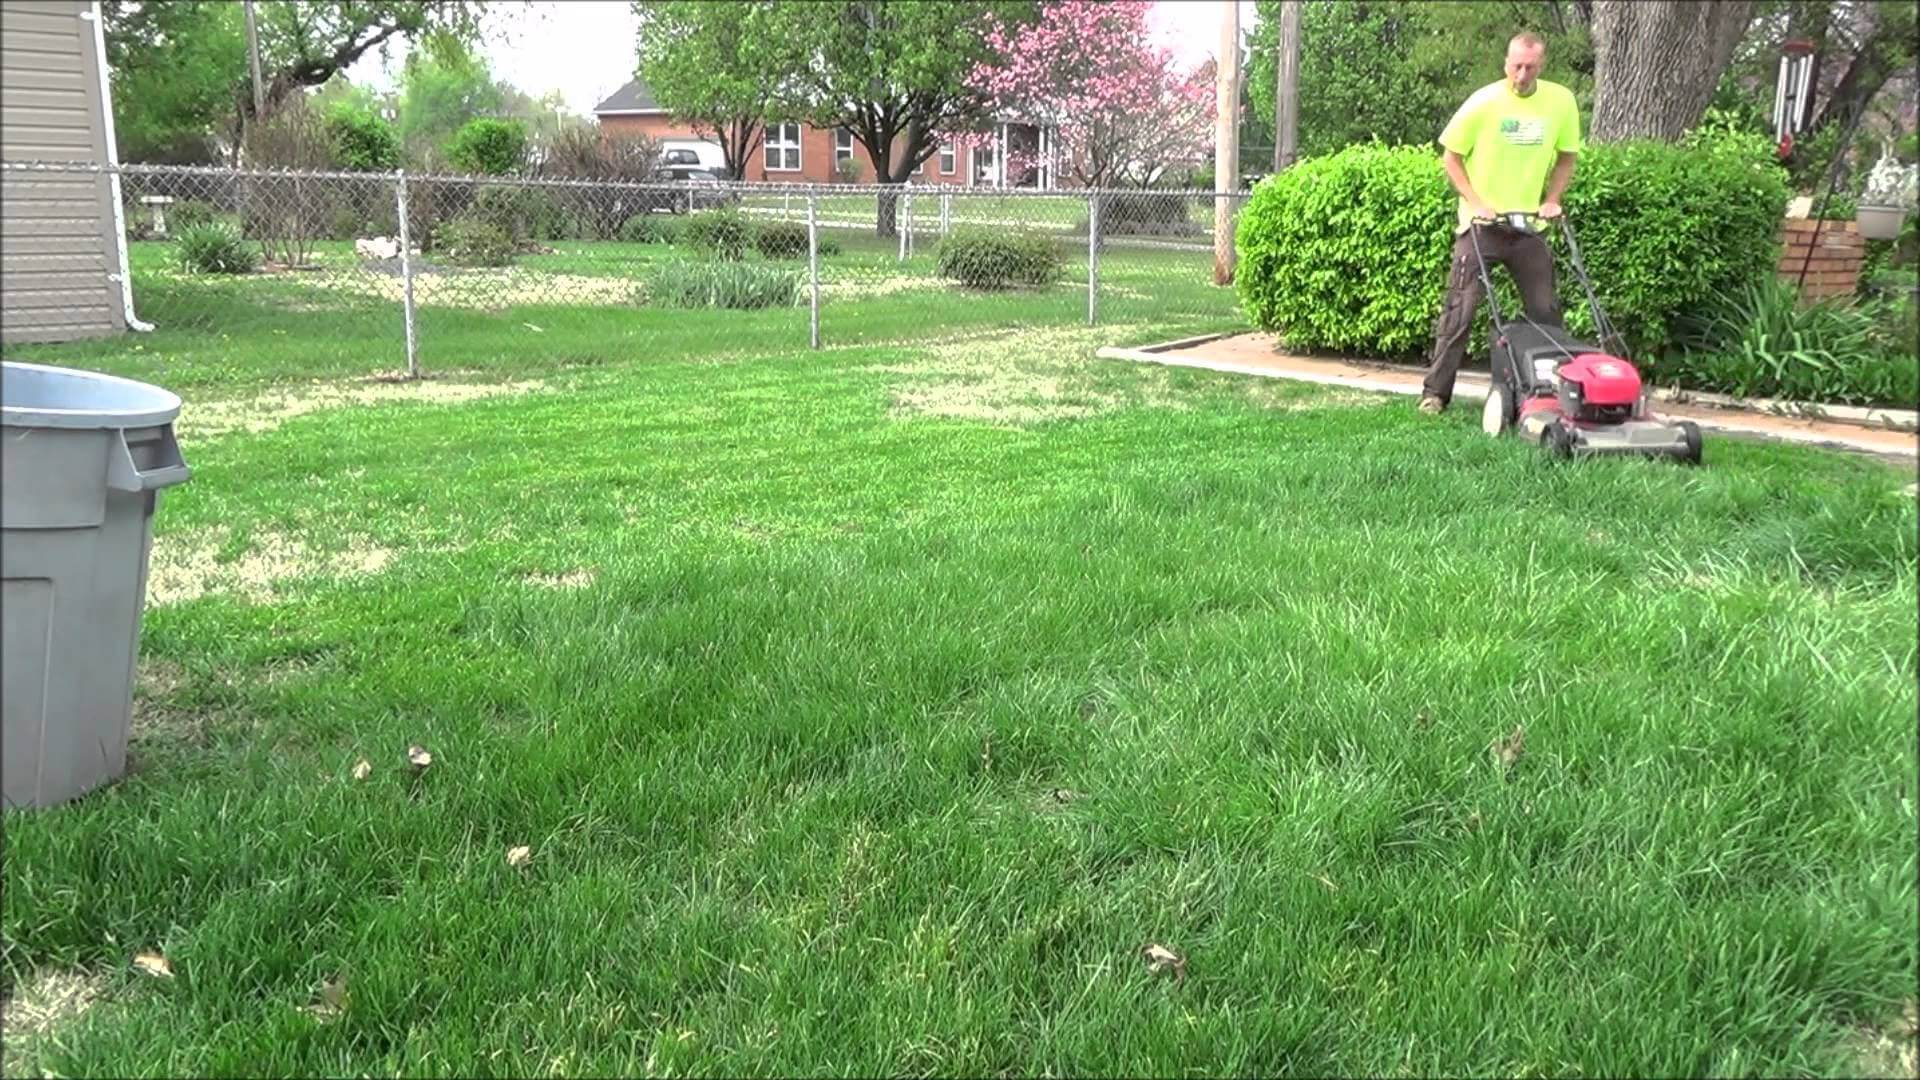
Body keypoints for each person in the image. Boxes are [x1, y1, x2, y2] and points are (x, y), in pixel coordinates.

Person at [1419, 31, 1583, 414]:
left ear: (1541, 66)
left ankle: (1550, 391)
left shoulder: (1560, 102)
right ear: (1505, 63)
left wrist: (1552, 200)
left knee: (1545, 310)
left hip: (1528, 229)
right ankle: (1434, 394)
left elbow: (1567, 157)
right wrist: (1476, 202)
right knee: (1461, 310)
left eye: (1530, 67)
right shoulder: (1485, 101)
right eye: (1516, 66)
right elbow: (1451, 157)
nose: (1522, 75)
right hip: (1480, 228)